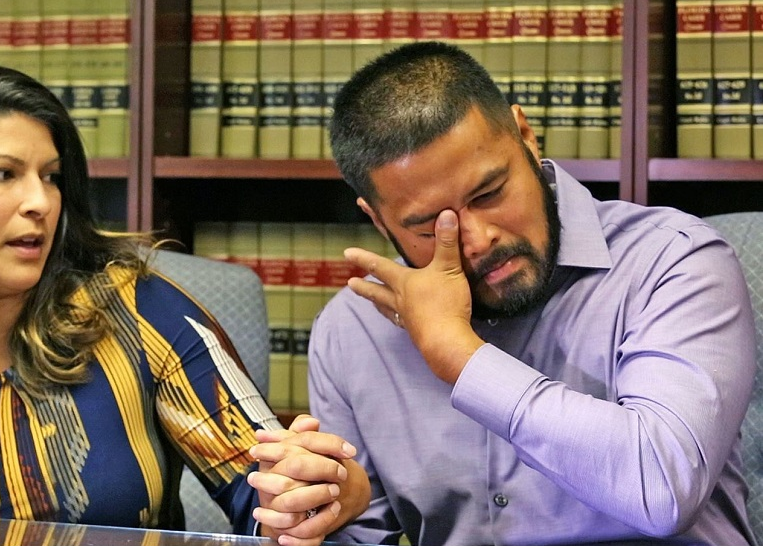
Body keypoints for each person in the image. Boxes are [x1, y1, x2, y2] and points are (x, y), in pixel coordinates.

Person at [0, 60, 369, 546]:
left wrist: (313, 491)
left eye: (50, 177)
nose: (40, 202)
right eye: (3, 174)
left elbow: (264, 489)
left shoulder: (141, 314)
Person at [309, 41, 758, 546]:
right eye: (429, 225)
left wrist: (461, 357)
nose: (478, 239)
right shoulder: (352, 329)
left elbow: (663, 488)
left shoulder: (672, 261)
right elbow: (363, 535)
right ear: (377, 219)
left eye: (489, 194)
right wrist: (318, 518)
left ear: (526, 137)